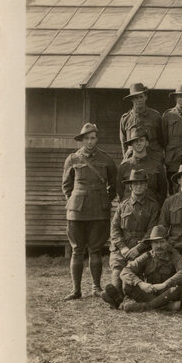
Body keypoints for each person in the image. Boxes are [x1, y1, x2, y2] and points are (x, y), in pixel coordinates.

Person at [62, 122, 117, 299]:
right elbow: (66, 186)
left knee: (95, 250)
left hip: (99, 211)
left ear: (97, 139)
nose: (90, 141)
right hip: (76, 212)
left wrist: (103, 200)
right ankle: (76, 290)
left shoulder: (107, 159)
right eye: (87, 138)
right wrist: (75, 200)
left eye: (93, 138)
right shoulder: (72, 159)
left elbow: (114, 186)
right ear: (82, 140)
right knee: (77, 250)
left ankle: (95, 287)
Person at [102, 168, 158, 309]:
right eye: (135, 184)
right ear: (130, 186)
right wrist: (123, 247)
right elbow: (114, 229)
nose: (138, 186)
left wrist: (138, 248)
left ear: (146, 186)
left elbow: (152, 230)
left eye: (141, 183)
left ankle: (119, 296)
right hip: (123, 248)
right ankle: (116, 295)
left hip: (141, 247)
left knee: (132, 271)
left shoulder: (153, 206)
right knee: (117, 267)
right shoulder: (122, 206)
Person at [118, 225, 182, 313]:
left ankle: (145, 306)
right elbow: (125, 271)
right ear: (151, 244)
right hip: (150, 292)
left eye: (162, 242)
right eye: (155, 243)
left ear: (167, 242)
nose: (159, 246)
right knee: (127, 284)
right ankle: (165, 306)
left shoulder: (174, 255)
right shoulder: (147, 256)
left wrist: (165, 284)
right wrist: (141, 283)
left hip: (166, 293)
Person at [116, 126, 167, 204]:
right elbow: (120, 193)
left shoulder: (157, 165)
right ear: (131, 144)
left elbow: (162, 192)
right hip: (129, 210)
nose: (138, 143)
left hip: (151, 211)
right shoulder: (124, 166)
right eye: (135, 141)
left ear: (147, 143)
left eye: (141, 140)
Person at [118, 82, 163, 166]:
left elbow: (162, 139)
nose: (139, 100)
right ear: (131, 99)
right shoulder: (125, 119)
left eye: (141, 97)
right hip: (133, 159)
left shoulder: (155, 116)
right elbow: (124, 142)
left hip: (153, 157)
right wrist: (126, 157)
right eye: (135, 98)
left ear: (146, 97)